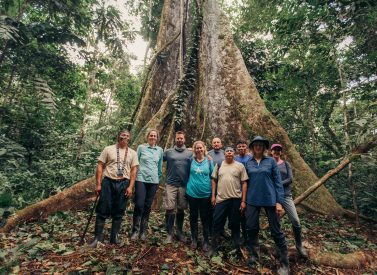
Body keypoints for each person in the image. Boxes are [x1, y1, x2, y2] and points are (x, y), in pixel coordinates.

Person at [245, 136, 289, 275]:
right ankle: (254, 254)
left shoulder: (270, 161)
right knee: (251, 227)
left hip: (270, 199)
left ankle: (284, 263)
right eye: (255, 145)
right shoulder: (249, 162)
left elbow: (278, 182)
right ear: (252, 147)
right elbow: (245, 181)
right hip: (252, 199)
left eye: (260, 145)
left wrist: (279, 202)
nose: (258, 147)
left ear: (264, 147)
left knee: (276, 230)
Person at [89, 130, 139, 247]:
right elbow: (100, 165)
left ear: (129, 138)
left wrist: (131, 187)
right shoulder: (108, 149)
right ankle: (97, 238)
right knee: (102, 209)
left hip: (123, 183)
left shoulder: (132, 153)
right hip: (108, 182)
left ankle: (114, 238)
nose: (125, 137)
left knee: (119, 211)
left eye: (127, 136)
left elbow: (134, 170)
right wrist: (98, 184)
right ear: (118, 137)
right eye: (123, 135)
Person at [208, 147, 248, 257]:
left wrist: (243, 201)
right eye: (227, 151)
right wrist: (213, 196)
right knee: (216, 222)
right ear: (224, 154)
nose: (229, 153)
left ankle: (236, 247)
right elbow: (214, 180)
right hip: (221, 199)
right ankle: (213, 247)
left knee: (235, 223)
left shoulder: (240, 166)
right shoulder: (219, 165)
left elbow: (244, 183)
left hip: (235, 199)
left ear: (234, 154)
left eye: (231, 151)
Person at [270, 143, 308, 259]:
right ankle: (279, 247)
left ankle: (299, 245)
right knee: (275, 223)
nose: (276, 152)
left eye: (278, 150)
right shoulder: (269, 164)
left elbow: (290, 179)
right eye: (274, 150)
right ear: (271, 152)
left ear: (281, 152)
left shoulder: (286, 164)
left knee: (295, 220)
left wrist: (277, 184)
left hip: (286, 196)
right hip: (273, 197)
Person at [130, 129, 163, 241]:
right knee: (139, 204)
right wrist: (133, 180)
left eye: (155, 136)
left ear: (157, 138)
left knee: (148, 206)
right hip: (141, 179)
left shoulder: (160, 150)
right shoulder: (141, 148)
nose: (153, 137)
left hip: (153, 181)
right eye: (151, 135)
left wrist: (158, 179)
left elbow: (159, 166)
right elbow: (136, 163)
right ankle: (135, 231)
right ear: (147, 137)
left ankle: (143, 232)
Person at [163, 131, 192, 244]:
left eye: (181, 138)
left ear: (184, 139)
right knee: (170, 208)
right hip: (170, 184)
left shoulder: (190, 153)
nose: (179, 140)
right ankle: (169, 234)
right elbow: (157, 159)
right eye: (178, 138)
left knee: (181, 208)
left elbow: (202, 155)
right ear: (175, 139)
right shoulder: (168, 152)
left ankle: (179, 232)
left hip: (184, 185)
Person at [186, 140, 214, 251]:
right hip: (192, 193)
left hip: (205, 194)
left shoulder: (209, 161)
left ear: (204, 149)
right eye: (197, 148)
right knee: (193, 217)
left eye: (200, 148)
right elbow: (186, 174)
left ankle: (206, 240)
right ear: (194, 149)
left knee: (205, 217)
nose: (199, 149)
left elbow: (213, 178)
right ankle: (194, 238)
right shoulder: (190, 160)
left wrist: (213, 194)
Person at [234, 140, 252, 243]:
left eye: (243, 146)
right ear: (237, 148)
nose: (241, 148)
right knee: (240, 213)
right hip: (237, 189)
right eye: (239, 147)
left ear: (247, 147)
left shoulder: (250, 158)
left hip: (250, 189)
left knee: (248, 213)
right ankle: (241, 236)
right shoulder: (235, 158)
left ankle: (249, 235)